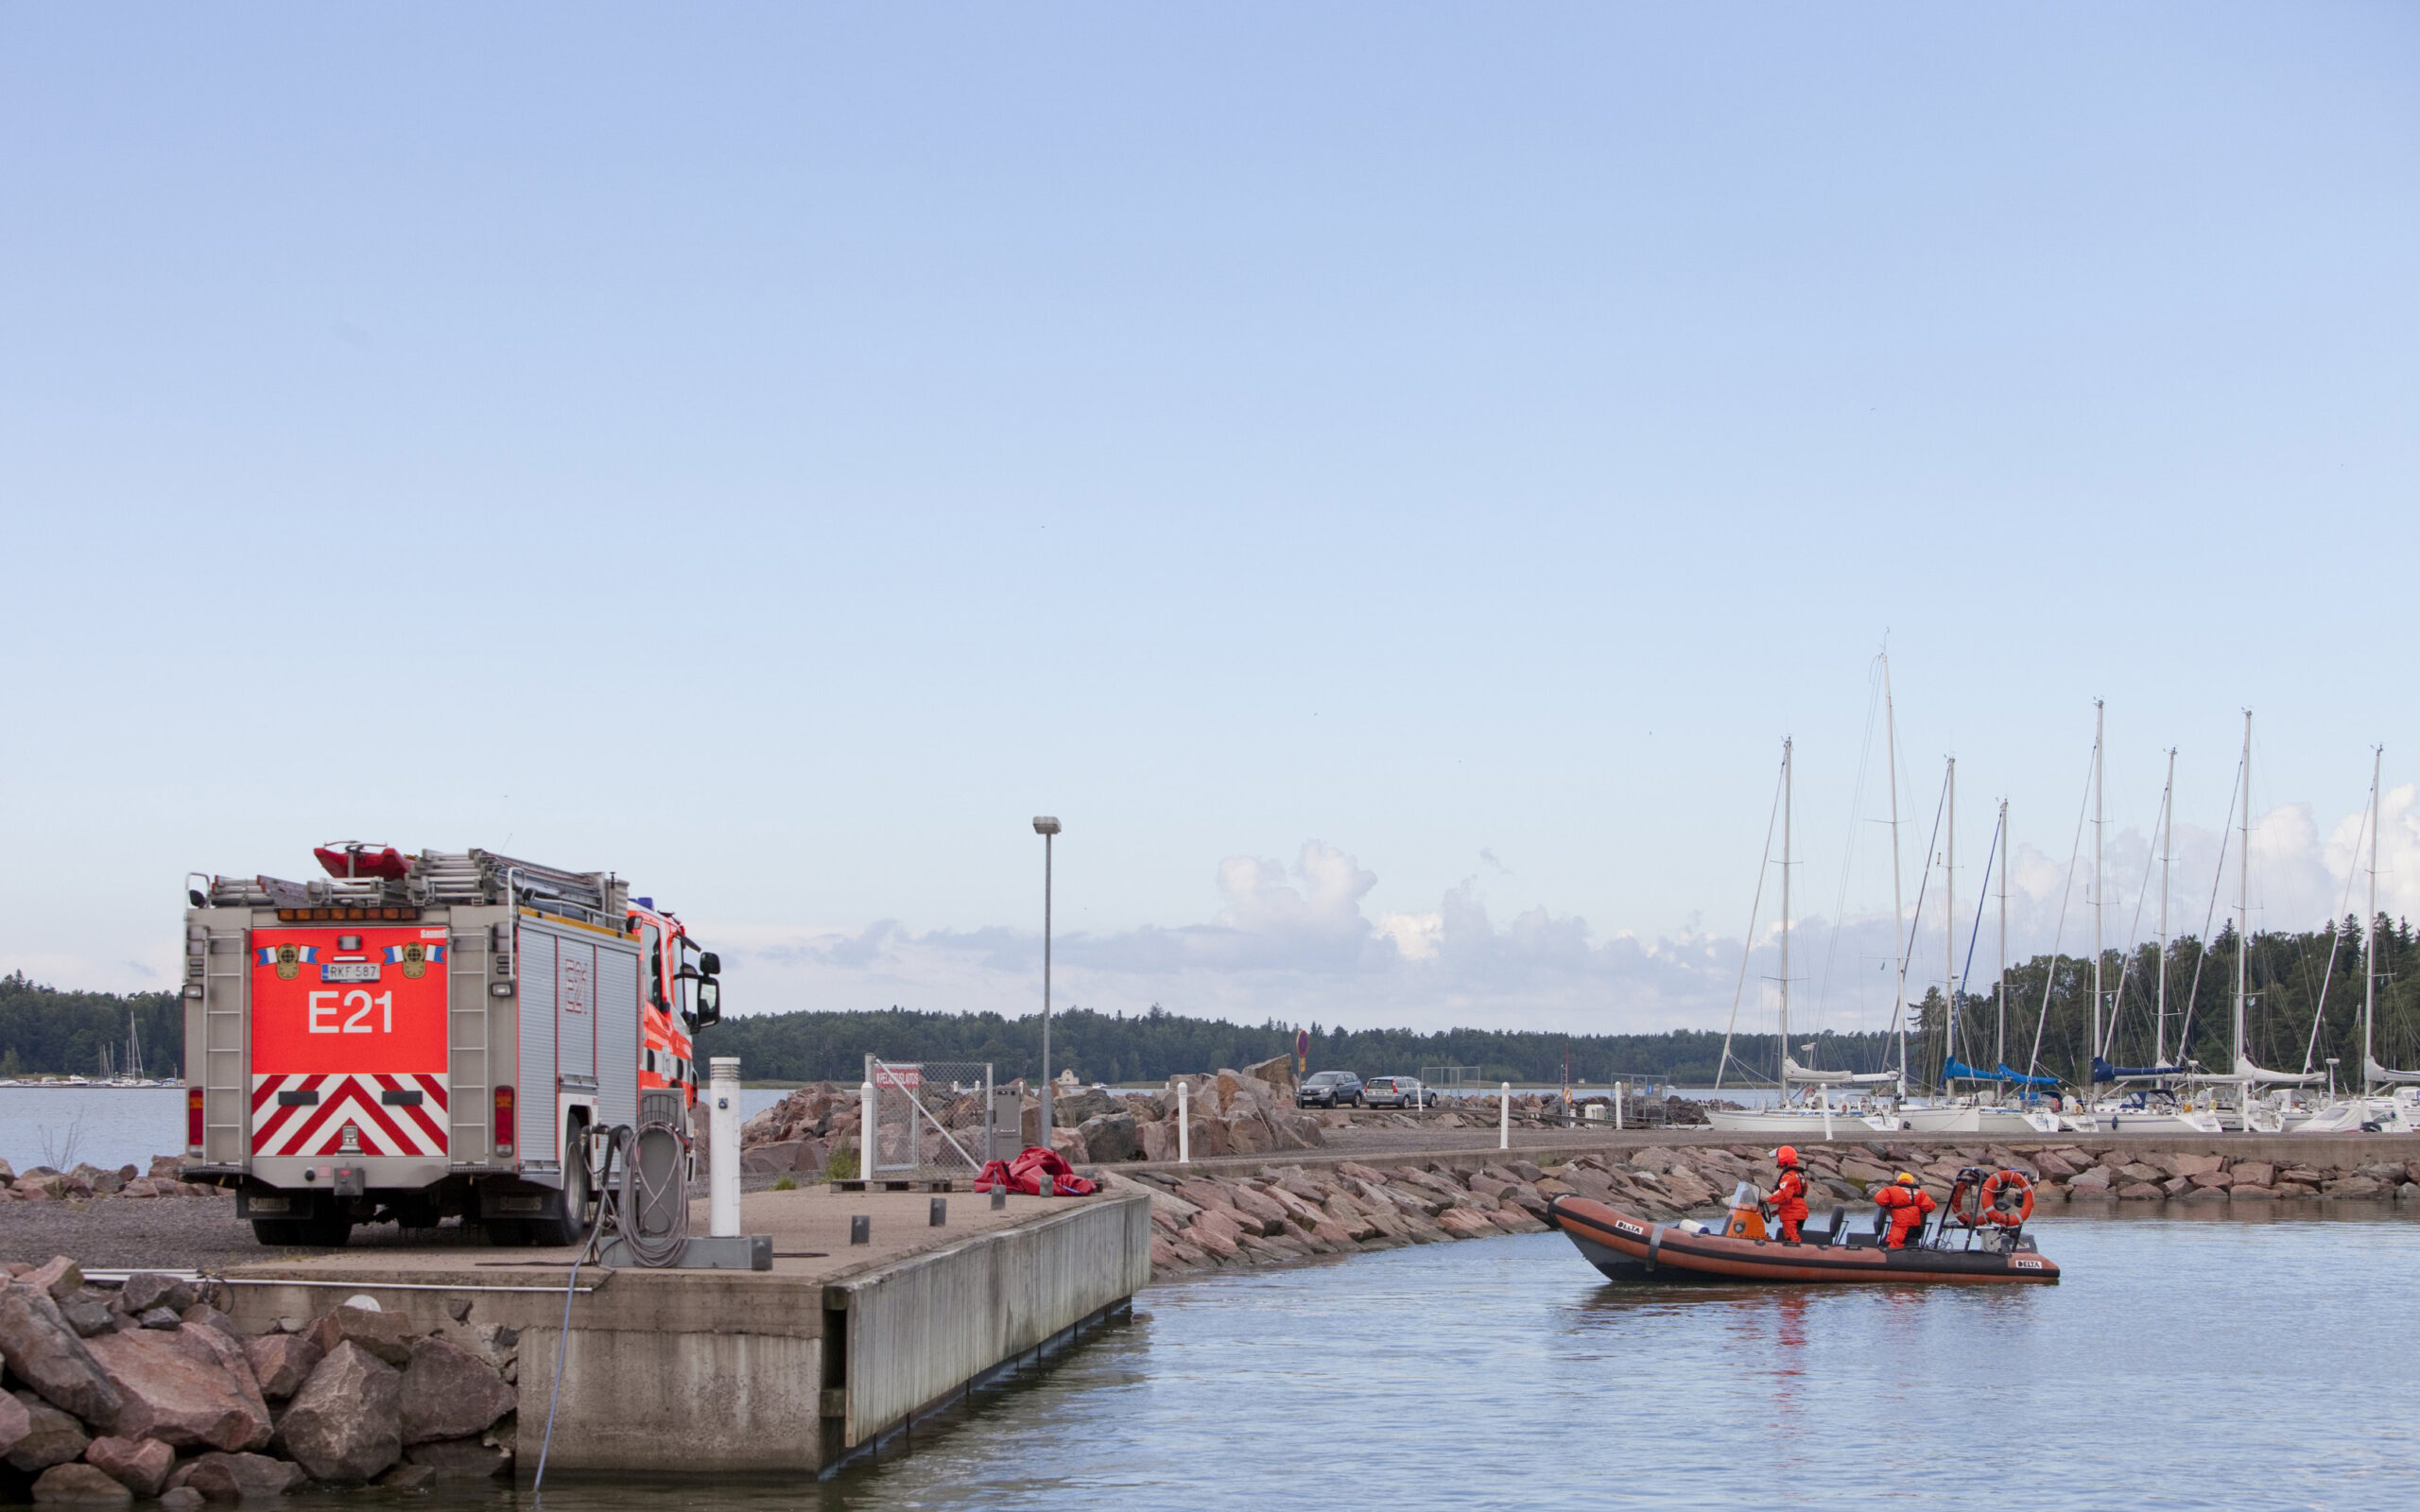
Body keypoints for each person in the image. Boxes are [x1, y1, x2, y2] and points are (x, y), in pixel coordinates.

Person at [1873, 1171, 1936, 1249]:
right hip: (1915, 1227)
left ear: (1899, 1181)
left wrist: (1890, 1205)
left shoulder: (1891, 1190)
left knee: (1890, 1246)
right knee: (1913, 1248)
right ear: (1912, 1181)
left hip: (1900, 1226)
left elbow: (1879, 1199)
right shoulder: (1920, 1193)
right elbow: (1929, 1206)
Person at [1764, 1145, 1810, 1243]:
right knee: (1794, 1235)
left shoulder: (1788, 1176)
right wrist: (1777, 1211)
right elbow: (1794, 1197)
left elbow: (1785, 1196)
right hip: (1799, 1212)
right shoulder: (1799, 1175)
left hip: (1791, 1214)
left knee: (1792, 1240)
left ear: (1783, 1158)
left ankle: (1796, 1254)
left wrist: (1767, 1199)